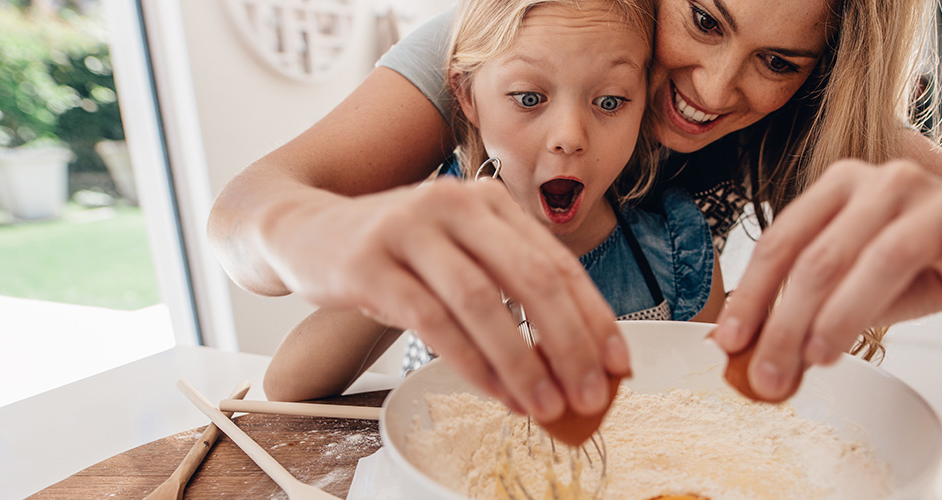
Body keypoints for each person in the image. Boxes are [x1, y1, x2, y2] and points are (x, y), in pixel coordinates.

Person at [208, 0, 942, 423]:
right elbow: (244, 219)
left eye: (775, 60)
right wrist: (338, 241)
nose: (716, 88)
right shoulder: (508, 40)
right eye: (701, 19)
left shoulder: (798, 114)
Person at [261, 0, 724, 403]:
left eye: (608, 102)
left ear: (644, 100)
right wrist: (405, 261)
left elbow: (710, 399)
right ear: (467, 95)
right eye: (529, 98)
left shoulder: (676, 247)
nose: (569, 137)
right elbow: (288, 387)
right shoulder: (435, 230)